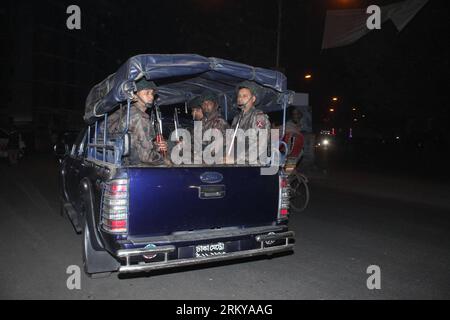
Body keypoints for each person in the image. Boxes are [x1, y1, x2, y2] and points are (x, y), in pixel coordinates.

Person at [108, 78, 168, 165]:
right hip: (134, 166)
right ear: (135, 96)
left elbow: (135, 143)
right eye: (147, 93)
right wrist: (166, 161)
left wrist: (156, 146)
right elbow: (146, 157)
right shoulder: (139, 117)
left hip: (125, 164)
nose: (151, 96)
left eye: (152, 93)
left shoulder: (127, 112)